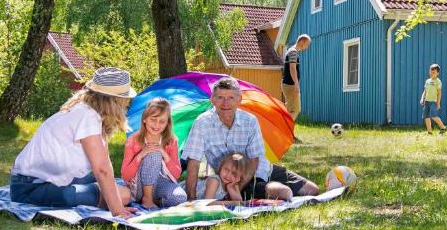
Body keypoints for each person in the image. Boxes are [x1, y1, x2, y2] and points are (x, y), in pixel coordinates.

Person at [10, 67, 136, 218]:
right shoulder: (87, 117)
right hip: (32, 188)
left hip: (40, 181)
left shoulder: (86, 111)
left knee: (120, 191)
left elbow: (104, 163)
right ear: (116, 101)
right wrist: (118, 210)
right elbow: (102, 170)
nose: (127, 104)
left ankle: (102, 194)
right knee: (124, 195)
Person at [183, 76, 319, 202]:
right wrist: (191, 199)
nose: (225, 103)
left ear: (239, 99)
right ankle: (269, 190)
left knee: (312, 190)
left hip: (261, 169)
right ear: (212, 100)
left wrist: (237, 190)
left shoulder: (250, 121)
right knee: (283, 192)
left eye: (231, 97)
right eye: (220, 97)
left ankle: (269, 189)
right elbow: (193, 162)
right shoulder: (202, 123)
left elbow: (255, 160)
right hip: (234, 179)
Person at [121, 97, 187, 209]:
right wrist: (140, 155)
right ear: (145, 119)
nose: (157, 125)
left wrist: (164, 154)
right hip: (139, 186)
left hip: (161, 183)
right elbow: (125, 175)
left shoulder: (171, 140)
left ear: (167, 123)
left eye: (162, 121)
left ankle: (155, 198)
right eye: (153, 119)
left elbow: (176, 174)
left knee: (180, 198)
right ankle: (147, 198)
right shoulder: (133, 140)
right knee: (153, 153)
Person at [281, 34, 311, 121]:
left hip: (288, 84)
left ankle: (287, 131)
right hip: (290, 85)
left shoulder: (292, 51)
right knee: (296, 109)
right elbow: (292, 68)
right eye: (307, 44)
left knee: (290, 109)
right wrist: (296, 84)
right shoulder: (293, 52)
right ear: (302, 41)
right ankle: (286, 131)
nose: (307, 47)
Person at [419, 63, 447, 136]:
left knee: (434, 116)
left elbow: (439, 93)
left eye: (433, 72)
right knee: (426, 116)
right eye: (430, 72)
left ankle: (443, 127)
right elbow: (425, 91)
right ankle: (429, 132)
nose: (431, 73)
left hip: (433, 102)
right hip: (426, 102)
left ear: (437, 73)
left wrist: (438, 103)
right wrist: (422, 98)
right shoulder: (427, 81)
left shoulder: (438, 81)